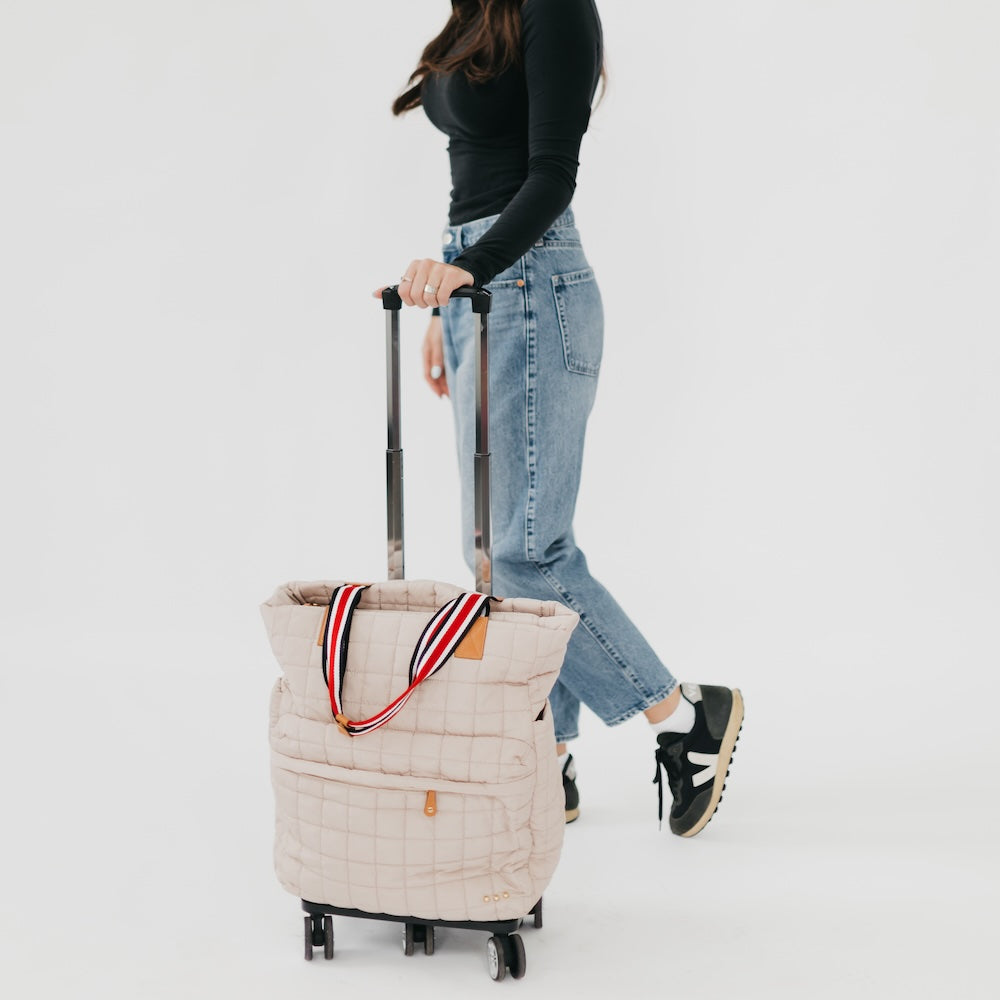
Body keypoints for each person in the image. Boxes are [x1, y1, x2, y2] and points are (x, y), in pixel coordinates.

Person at [373, 0, 743, 837]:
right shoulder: (475, 14)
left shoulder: (555, 8)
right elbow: (475, 170)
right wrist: (448, 304)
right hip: (483, 288)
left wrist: (471, 270)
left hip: (532, 283)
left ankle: (683, 718)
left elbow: (549, 175)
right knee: (503, 557)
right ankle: (553, 756)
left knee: (524, 548)